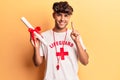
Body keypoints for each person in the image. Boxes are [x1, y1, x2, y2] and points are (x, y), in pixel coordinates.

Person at [30, 1, 89, 80]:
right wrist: (36, 47)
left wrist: (77, 42)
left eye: (66, 16)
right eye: (59, 15)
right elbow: (37, 63)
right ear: (54, 15)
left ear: (69, 17)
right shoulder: (44, 36)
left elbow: (85, 62)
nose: (62, 19)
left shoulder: (75, 35)